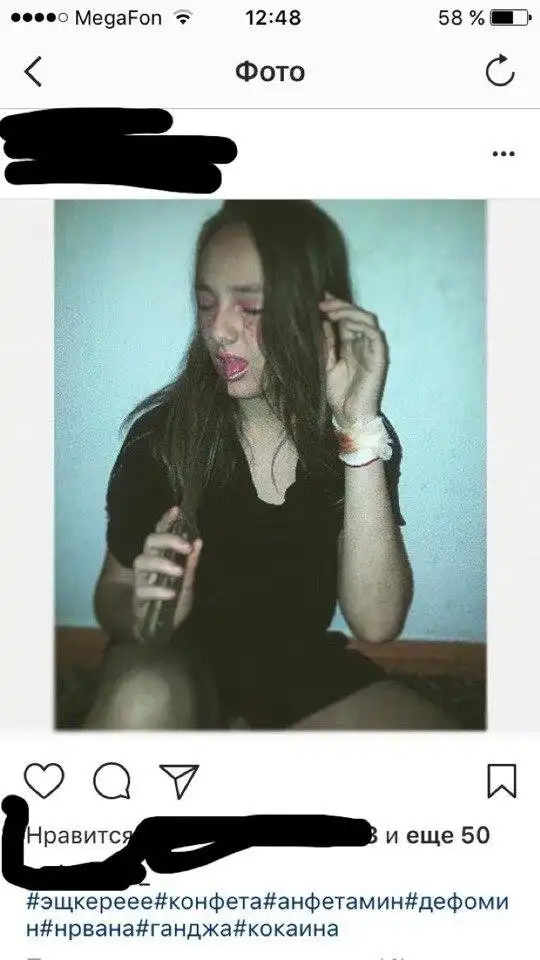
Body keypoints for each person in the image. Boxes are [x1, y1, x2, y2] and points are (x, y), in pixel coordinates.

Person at [87, 200, 452, 730]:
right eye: (206, 303)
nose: (218, 330)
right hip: (174, 658)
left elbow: (376, 623)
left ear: (318, 313)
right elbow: (112, 593)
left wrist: (359, 428)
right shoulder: (161, 438)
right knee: (143, 699)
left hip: (292, 667)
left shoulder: (358, 440)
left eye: (250, 308)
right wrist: (143, 611)